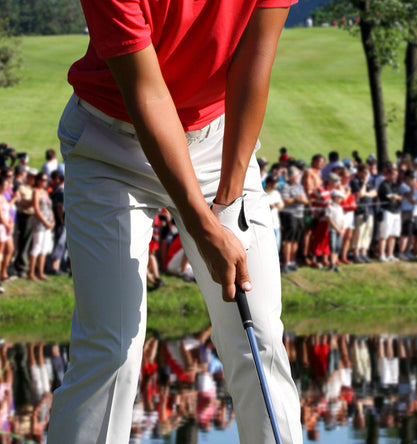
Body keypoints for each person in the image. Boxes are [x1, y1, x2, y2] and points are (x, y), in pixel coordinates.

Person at [47, 3, 303, 443]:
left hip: (216, 144)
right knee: (113, 349)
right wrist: (203, 226)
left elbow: (253, 63)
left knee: (258, 334)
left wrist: (228, 198)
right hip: (109, 144)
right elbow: (147, 93)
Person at [28, 172, 54, 281]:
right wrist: (45, 221)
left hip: (47, 223)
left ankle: (40, 272)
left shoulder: (45, 192)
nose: (45, 182)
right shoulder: (36, 192)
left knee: (44, 248)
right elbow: (36, 209)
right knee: (37, 247)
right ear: (38, 180)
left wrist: (52, 221)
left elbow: (49, 208)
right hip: (39, 223)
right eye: (43, 179)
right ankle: (31, 273)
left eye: (46, 179)